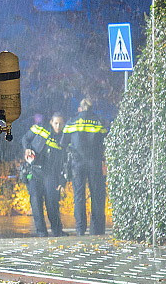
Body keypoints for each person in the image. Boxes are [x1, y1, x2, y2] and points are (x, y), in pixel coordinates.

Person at [63, 98, 108, 236]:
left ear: (80, 109)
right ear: (92, 108)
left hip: (78, 164)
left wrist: (73, 151)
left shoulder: (72, 122)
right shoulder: (99, 121)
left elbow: (63, 143)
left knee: (79, 196)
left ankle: (80, 229)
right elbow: (106, 141)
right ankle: (97, 229)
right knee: (97, 195)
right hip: (94, 163)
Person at [22, 112, 66, 237]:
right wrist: (27, 148)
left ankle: (57, 231)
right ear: (51, 122)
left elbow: (65, 161)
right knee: (36, 202)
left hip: (50, 174)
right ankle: (41, 232)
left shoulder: (63, 138)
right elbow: (25, 138)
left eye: (60, 124)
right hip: (34, 171)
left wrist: (62, 180)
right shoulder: (39, 128)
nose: (58, 126)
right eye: (56, 123)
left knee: (52, 203)